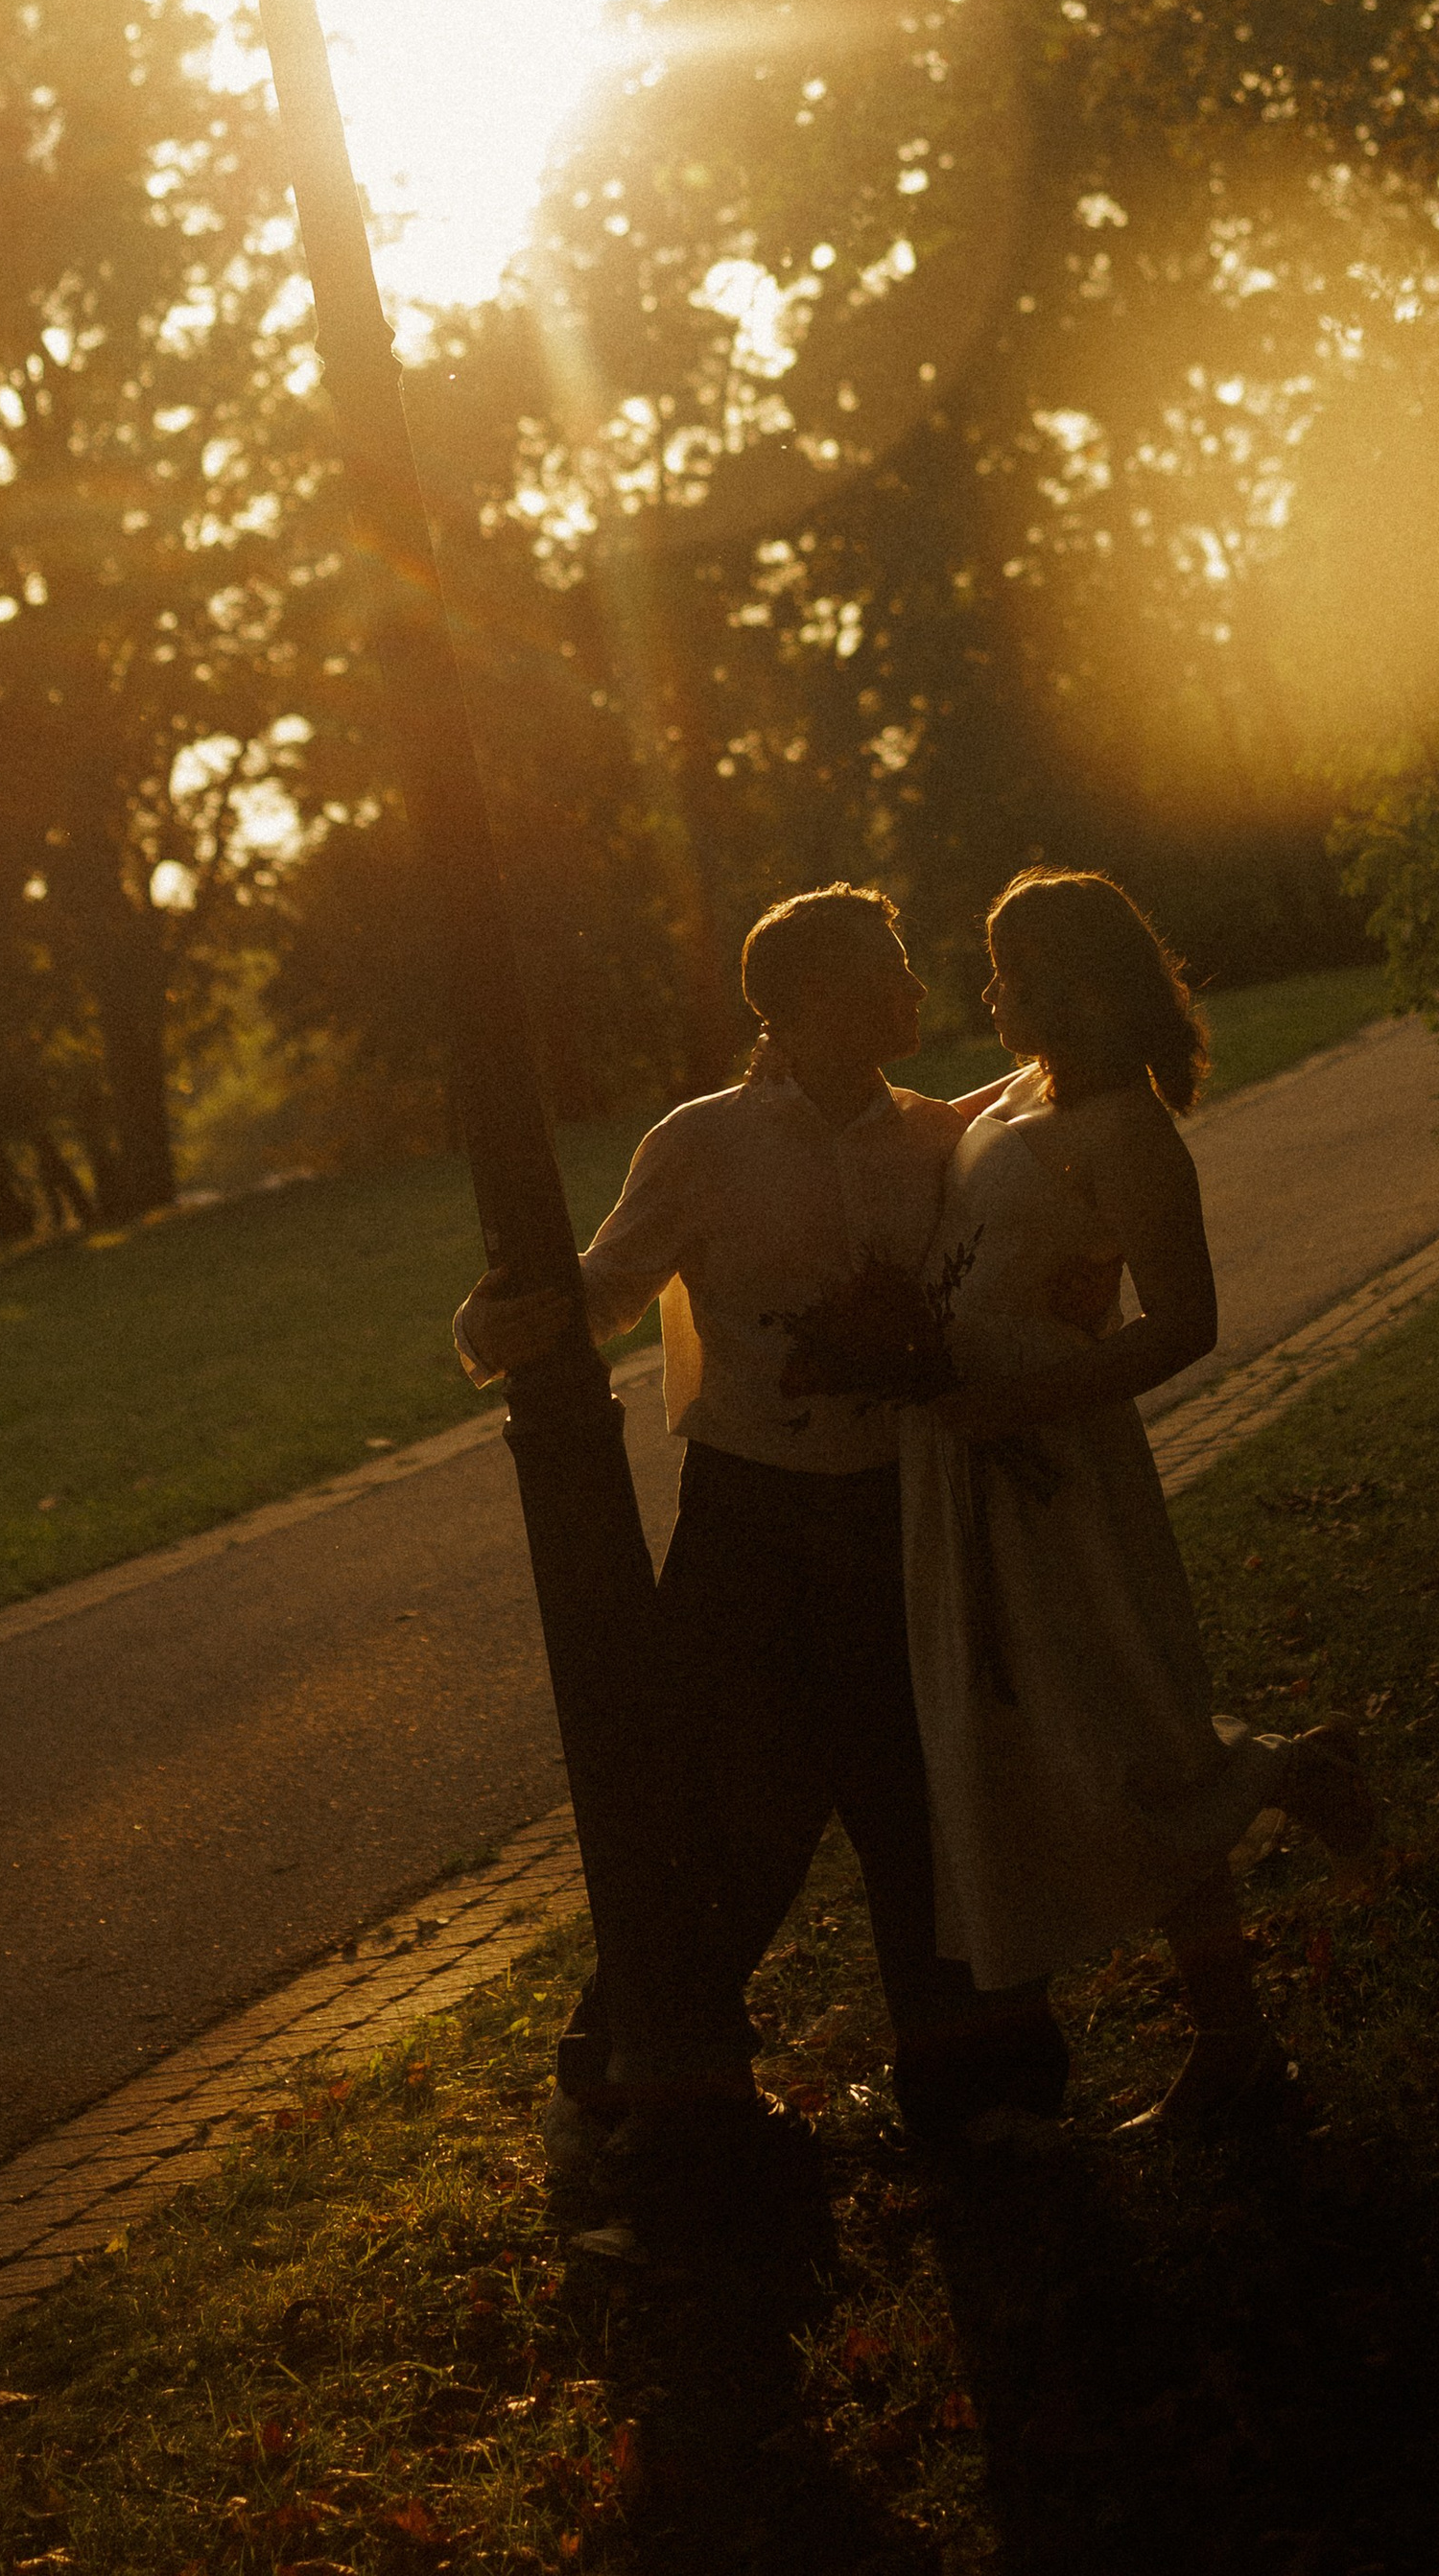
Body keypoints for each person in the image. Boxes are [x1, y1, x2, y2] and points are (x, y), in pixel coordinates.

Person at [454, 883, 1069, 2173]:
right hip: (751, 1528)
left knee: (925, 1800)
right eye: (882, 971)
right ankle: (628, 2074)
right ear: (792, 1006)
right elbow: (612, 1284)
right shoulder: (700, 1143)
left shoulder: (932, 1137)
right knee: (738, 1815)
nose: (910, 988)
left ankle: (976, 2092)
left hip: (898, 1511)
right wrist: (503, 1320)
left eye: (905, 967)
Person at [897, 866, 1376, 2138]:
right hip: (971, 1483)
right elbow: (904, 1140)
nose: (985, 990)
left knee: (1129, 1740)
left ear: (1057, 977)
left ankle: (1270, 1814)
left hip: (1061, 1476)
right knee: (1039, 1741)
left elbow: (1188, 1324)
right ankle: (1180, 2033)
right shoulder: (1011, 1097)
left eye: (1002, 968)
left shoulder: (1126, 1132)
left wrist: (1020, 1403)